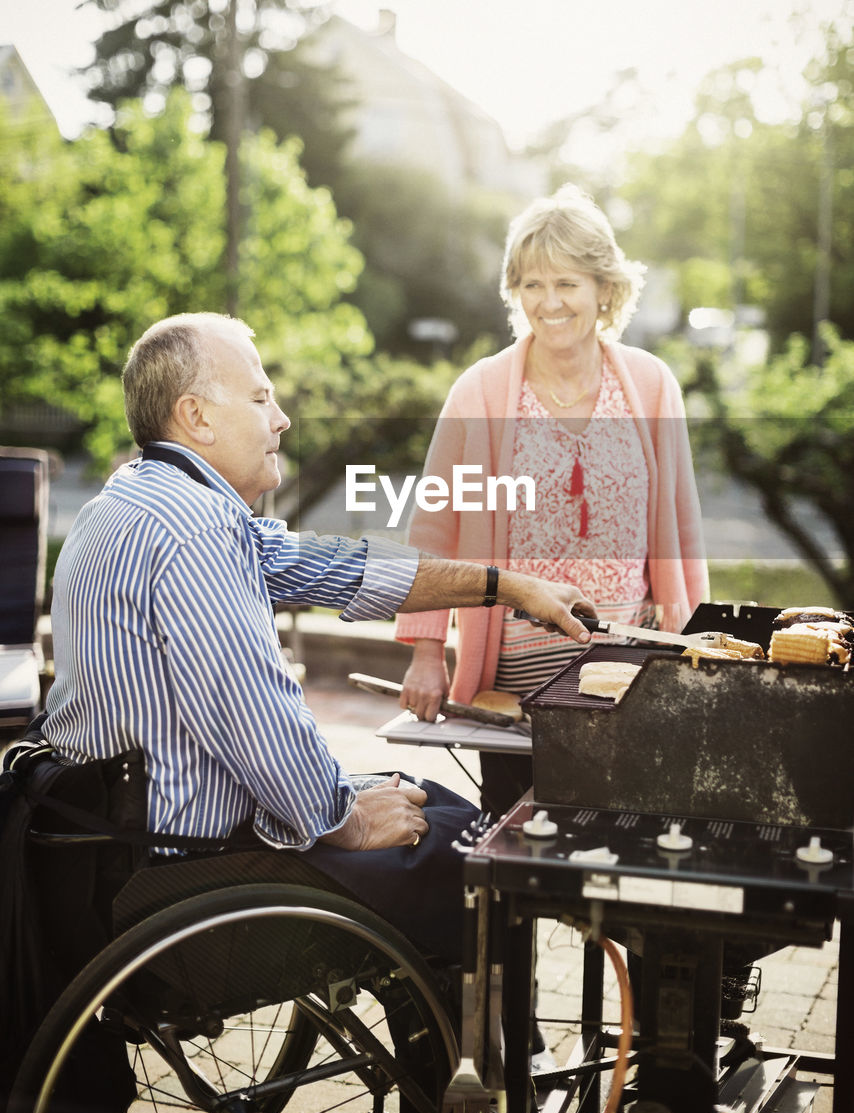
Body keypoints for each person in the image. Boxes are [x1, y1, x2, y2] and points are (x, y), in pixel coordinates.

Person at [38, 311, 595, 966]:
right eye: (260, 397)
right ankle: (486, 1061)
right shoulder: (198, 532)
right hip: (183, 868)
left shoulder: (131, 500)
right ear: (196, 417)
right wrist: (346, 816)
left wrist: (506, 585)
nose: (281, 419)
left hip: (111, 845)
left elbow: (338, 566)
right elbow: (253, 714)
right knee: (465, 849)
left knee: (424, 800)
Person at [396, 183, 708, 814]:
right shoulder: (480, 393)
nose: (550, 301)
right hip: (514, 693)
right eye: (532, 284)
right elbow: (436, 527)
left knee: (621, 856)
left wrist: (697, 645)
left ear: (604, 289)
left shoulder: (649, 385)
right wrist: (428, 654)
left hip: (628, 676)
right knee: (517, 862)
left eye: (567, 283)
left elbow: (681, 523)